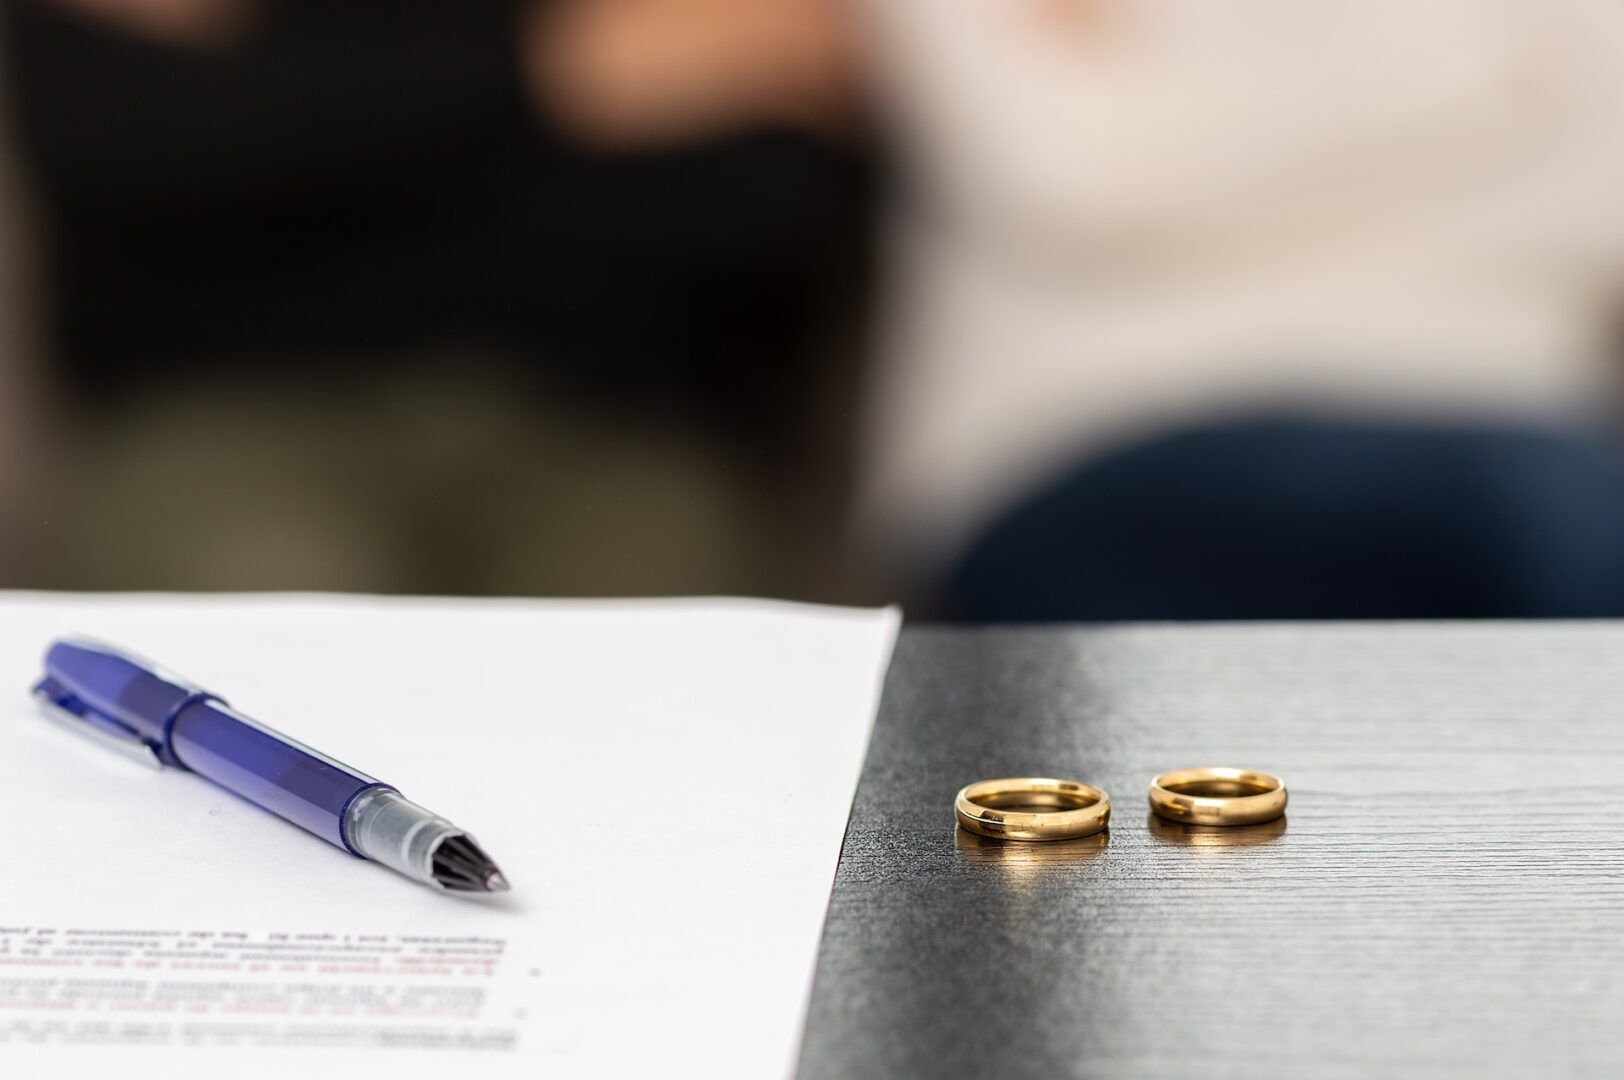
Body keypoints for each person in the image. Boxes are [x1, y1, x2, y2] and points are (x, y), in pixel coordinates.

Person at [0, 0, 872, 596]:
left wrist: (309, 100)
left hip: (616, 421)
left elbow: (764, 206)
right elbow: (130, 148)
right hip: (216, 409)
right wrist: (559, 80)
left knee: (653, 651)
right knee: (283, 644)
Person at [856, 0, 1624, 619]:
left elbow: (1599, 210)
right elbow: (1073, 167)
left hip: (1519, 420)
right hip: (1099, 424)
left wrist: (1199, 131)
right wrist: (1489, 76)